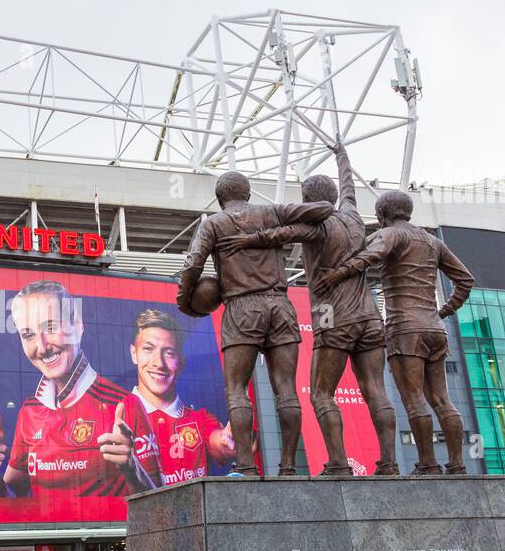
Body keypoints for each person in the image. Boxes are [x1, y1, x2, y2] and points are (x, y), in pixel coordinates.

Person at [210, 141, 399, 475]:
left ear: (307, 198)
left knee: (322, 393)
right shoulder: (353, 215)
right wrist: (342, 155)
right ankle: (390, 463)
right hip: (370, 316)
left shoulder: (316, 227)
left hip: (332, 316)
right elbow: (349, 187)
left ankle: (339, 464)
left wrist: (246, 240)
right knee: (376, 390)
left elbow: (279, 233)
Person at [177, 173, 334, 476]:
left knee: (236, 390)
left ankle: (247, 467)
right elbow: (324, 209)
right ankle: (288, 467)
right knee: (286, 390)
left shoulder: (213, 223)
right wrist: (278, 232)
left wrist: (184, 302)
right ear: (248, 194)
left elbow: (193, 264)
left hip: (241, 306)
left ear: (220, 198)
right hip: (280, 305)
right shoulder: (271, 212)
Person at [314, 189, 475, 474]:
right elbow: (465, 279)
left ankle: (427, 464)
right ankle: (457, 464)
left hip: (405, 329)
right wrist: (444, 311)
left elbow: (366, 257)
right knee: (441, 399)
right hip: (435, 329)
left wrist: (336, 274)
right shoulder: (433, 242)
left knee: (414, 399)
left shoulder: (390, 235)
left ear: (382, 215)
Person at [0, 280, 161, 498]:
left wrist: (132, 469)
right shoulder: (30, 410)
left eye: (51, 328)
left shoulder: (124, 404)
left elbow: (159, 507)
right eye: (28, 335)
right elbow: (12, 505)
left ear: (77, 325)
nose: (43, 347)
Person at [129, 309, 237, 484]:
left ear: (179, 360)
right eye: (148, 349)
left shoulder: (199, 419)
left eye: (169, 353)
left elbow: (221, 444)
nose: (159, 363)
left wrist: (232, 440)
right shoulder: (115, 417)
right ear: (134, 354)